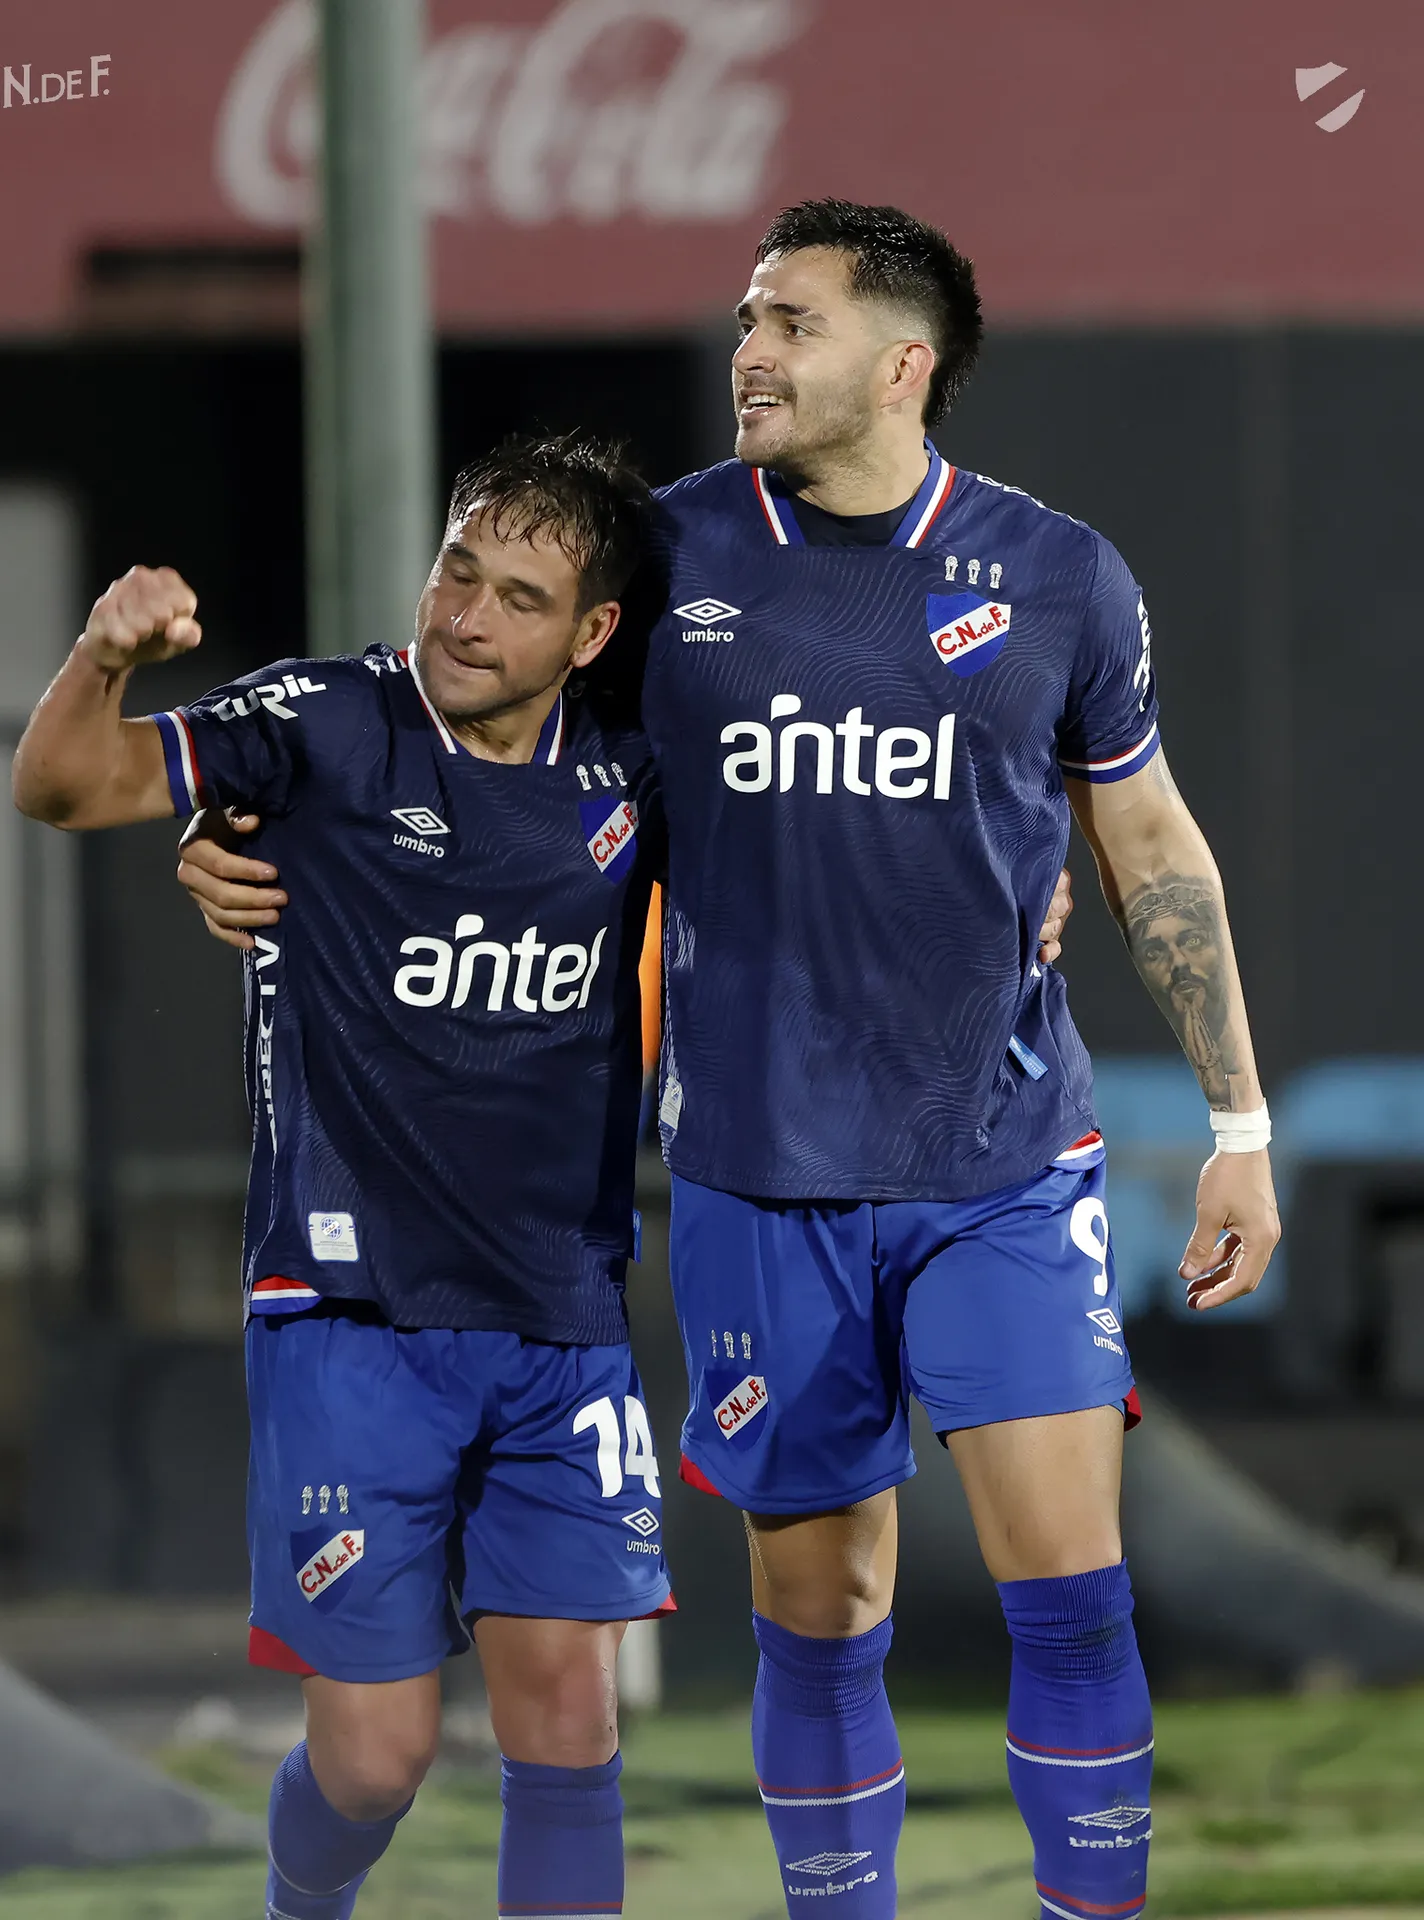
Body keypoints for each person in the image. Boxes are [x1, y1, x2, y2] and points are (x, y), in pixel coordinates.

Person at [178, 200, 1278, 1920]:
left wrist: (1239, 1124)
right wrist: (245, 832)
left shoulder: (1063, 576)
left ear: (903, 365)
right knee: (823, 1616)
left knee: (1072, 1592)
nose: (750, 350)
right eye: (749, 316)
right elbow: (466, 733)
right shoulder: (669, 557)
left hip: (1000, 1164)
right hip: (760, 1178)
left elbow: (1146, 839)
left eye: (792, 323)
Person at [12, 436, 674, 1920]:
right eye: (457, 571)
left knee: (571, 1728)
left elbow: (818, 872)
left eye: (518, 598)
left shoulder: (636, 771)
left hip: (562, 1315)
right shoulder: (321, 724)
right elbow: (61, 787)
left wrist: (1028, 897)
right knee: (376, 1764)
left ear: (591, 634)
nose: (467, 617)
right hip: (349, 1314)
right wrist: (104, 657)